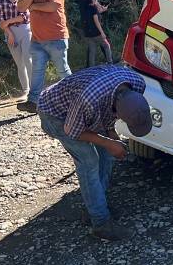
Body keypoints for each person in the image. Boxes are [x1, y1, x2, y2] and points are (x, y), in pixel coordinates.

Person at [38, 65, 152, 241]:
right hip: (55, 114)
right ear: (116, 107)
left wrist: (111, 134)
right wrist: (108, 142)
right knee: (88, 161)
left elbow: (106, 111)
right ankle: (101, 223)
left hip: (82, 107)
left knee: (107, 153)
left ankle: (96, 205)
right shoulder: (88, 99)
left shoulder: (137, 83)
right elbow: (72, 130)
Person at [17, 0, 71, 113]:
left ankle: (75, 98)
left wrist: (32, 6)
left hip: (57, 37)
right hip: (37, 40)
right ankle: (33, 102)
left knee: (62, 70)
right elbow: (20, 7)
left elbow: (53, 6)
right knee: (37, 71)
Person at [0, 0, 32, 99]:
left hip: (25, 30)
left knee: (29, 60)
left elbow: (24, 17)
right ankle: (26, 90)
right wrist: (9, 32)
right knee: (19, 63)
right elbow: (0, 20)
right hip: (10, 33)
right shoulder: (1, 0)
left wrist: (8, 21)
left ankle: (34, 90)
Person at [78, 0, 113, 66]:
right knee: (106, 46)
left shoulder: (85, 6)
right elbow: (96, 19)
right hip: (96, 32)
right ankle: (110, 63)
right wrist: (102, 32)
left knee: (92, 51)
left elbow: (97, 12)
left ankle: (91, 68)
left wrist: (101, 9)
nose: (96, 0)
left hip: (87, 31)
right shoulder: (93, 7)